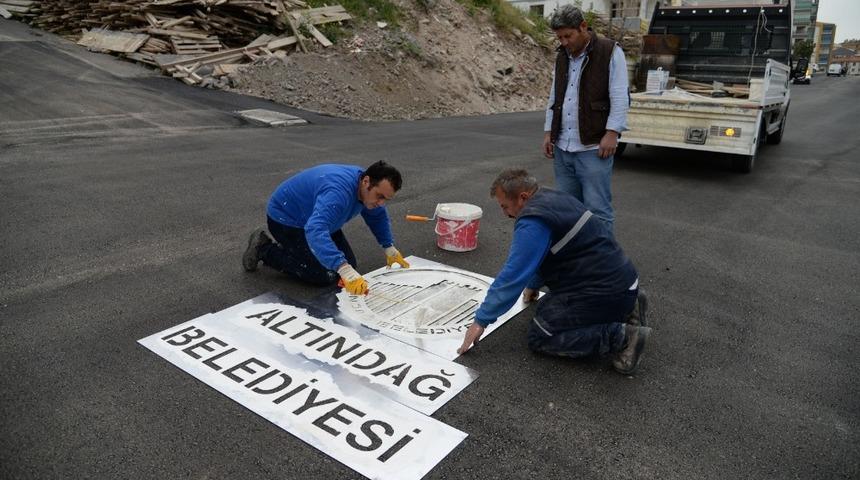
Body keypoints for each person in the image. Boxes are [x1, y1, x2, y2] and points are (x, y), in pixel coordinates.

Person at [457, 169, 651, 375]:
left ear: (523, 197)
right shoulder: (553, 198)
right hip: (620, 279)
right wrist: (533, 285)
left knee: (542, 334)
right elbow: (547, 254)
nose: (505, 214)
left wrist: (481, 321)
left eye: (505, 206)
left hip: (604, 290)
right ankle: (631, 303)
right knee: (545, 311)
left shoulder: (533, 221)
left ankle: (623, 337)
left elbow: (512, 276)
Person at [241, 161, 410, 295]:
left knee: (348, 264)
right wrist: (342, 268)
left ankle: (299, 252)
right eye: (379, 196)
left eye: (386, 199)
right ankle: (264, 248)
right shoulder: (338, 193)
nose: (381, 203)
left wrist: (389, 247)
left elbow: (377, 216)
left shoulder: (367, 186)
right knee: (322, 274)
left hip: (319, 219)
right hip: (287, 219)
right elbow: (315, 230)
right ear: (366, 182)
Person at [542, 5, 630, 233]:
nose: (563, 42)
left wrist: (612, 132)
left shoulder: (610, 52)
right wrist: (548, 131)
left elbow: (620, 96)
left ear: (583, 27)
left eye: (568, 36)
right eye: (559, 37)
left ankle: (602, 263)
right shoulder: (562, 56)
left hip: (593, 147)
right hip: (563, 147)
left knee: (598, 209)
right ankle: (576, 258)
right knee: (567, 208)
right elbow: (555, 96)